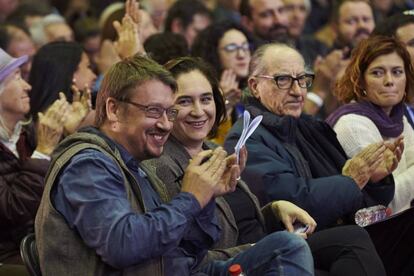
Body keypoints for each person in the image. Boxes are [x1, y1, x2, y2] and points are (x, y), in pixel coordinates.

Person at [34, 54, 314, 275]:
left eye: (169, 112)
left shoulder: (131, 162)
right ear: (113, 109)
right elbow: (122, 245)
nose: (166, 125)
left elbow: (193, 248)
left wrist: (208, 195)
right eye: (153, 111)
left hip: (183, 269)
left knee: (286, 246)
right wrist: (191, 198)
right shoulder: (89, 164)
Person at [144, 56, 386, 276]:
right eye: (185, 101)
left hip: (269, 245)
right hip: (233, 262)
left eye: (206, 99)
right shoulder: (159, 166)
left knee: (360, 239)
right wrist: (255, 248)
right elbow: (187, 250)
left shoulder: (213, 150)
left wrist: (272, 211)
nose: (199, 111)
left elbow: (240, 218)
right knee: (351, 243)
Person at [224, 42, 414, 276]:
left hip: (341, 230)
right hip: (287, 242)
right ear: (255, 86)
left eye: (302, 79)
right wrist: (351, 180)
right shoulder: (246, 139)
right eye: (283, 80)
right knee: (351, 240)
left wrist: (374, 180)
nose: (297, 91)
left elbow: (356, 198)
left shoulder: (310, 127)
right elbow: (291, 200)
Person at [327, 36, 414, 214]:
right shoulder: (352, 125)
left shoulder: (399, 117)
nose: (389, 81)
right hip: (376, 230)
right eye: (377, 73)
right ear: (360, 81)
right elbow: (387, 204)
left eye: (397, 72)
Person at [0, 48, 68, 267]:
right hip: (9, 256)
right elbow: (12, 209)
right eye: (17, 77)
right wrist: (43, 151)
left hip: (37, 243)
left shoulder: (24, 133)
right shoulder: (35, 140)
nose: (27, 86)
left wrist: (71, 131)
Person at [191, 21, 254, 143]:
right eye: (231, 48)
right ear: (214, 53)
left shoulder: (254, 90)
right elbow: (209, 146)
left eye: (245, 47)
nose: (241, 55)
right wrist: (223, 106)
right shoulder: (203, 91)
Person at [28, 41, 95, 134]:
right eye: (88, 67)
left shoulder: (36, 120)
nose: (94, 76)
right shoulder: (83, 117)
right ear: (70, 73)